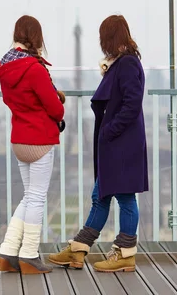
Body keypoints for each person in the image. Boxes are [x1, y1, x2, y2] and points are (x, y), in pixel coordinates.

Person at [48, 14, 148, 273]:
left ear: (109, 38)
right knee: (101, 195)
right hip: (118, 143)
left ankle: (123, 254)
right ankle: (79, 249)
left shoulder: (126, 64)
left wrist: (109, 131)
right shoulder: (122, 63)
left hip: (121, 144)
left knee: (123, 197)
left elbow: (132, 103)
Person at [0, 15, 66, 275]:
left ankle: (8, 251)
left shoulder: (7, 67)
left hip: (19, 139)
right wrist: (59, 108)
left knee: (28, 196)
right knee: (36, 198)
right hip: (39, 141)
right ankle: (30, 254)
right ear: (36, 37)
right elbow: (54, 107)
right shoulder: (34, 68)